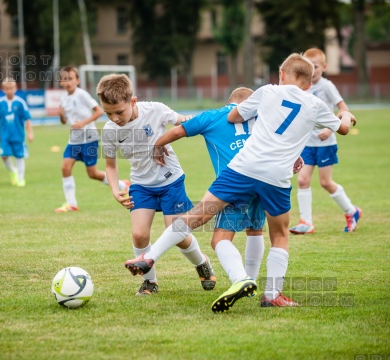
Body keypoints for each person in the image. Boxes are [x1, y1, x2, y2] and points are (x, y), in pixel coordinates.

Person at [125, 53, 357, 312]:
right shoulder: (315, 104)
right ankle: (272, 294)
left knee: (196, 216)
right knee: (279, 235)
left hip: (243, 168)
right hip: (277, 177)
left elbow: (234, 116)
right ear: (309, 82)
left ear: (281, 75)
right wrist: (346, 115)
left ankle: (150, 256)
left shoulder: (268, 91)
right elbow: (343, 128)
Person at [154, 87, 305, 291]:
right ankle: (254, 281)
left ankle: (241, 279)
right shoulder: (265, 117)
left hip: (233, 185)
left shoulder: (215, 116)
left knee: (219, 238)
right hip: (267, 181)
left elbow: (179, 130)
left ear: (229, 102)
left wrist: (158, 144)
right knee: (256, 230)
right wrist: (294, 156)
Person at [96, 73, 217, 296]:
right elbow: (111, 166)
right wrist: (115, 190)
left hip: (171, 181)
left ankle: (201, 262)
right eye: (108, 113)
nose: (114, 118)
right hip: (141, 185)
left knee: (177, 234)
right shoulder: (110, 130)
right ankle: (149, 282)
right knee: (140, 235)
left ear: (133, 101)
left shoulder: (155, 110)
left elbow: (182, 122)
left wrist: (198, 122)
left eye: (119, 112)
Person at [289, 48, 362, 234]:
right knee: (303, 180)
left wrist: (330, 129)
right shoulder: (300, 87)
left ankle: (351, 211)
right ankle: (306, 222)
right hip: (307, 143)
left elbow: (343, 109)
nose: (312, 71)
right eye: (308, 67)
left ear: (324, 67)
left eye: (315, 67)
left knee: (325, 182)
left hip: (325, 144)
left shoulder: (327, 86)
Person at [55, 66, 130, 213]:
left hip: (89, 138)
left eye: (70, 78)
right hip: (74, 140)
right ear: (61, 82)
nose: (68, 81)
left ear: (77, 80)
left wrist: (83, 123)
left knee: (92, 173)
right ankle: (71, 204)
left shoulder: (81, 94)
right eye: (64, 79)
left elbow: (99, 111)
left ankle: (122, 185)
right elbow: (65, 121)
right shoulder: (63, 99)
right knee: (65, 167)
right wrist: (60, 115)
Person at [0, 77, 34, 187]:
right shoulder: (0, 103)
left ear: (15, 88)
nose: (9, 90)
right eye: (7, 88)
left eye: (11, 88)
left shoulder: (20, 103)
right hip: (4, 136)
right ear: (3, 89)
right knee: (4, 156)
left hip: (18, 135)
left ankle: (21, 179)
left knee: (19, 157)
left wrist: (30, 133)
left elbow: (27, 119)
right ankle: (13, 171)